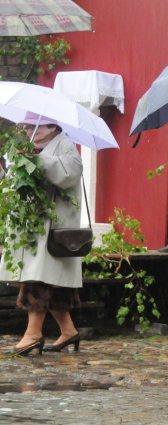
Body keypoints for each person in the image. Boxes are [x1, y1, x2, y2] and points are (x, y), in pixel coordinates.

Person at [0, 115, 84, 355]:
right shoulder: (29, 148)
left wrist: (39, 160)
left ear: (52, 128)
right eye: (25, 126)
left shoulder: (65, 146)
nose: (28, 130)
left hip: (52, 229)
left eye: (33, 126)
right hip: (34, 228)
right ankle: (68, 332)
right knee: (52, 281)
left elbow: (69, 174)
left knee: (38, 280)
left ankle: (33, 334)